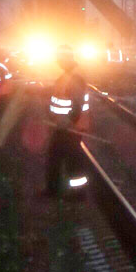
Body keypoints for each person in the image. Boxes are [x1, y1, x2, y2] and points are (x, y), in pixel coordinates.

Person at [47, 45, 89, 196]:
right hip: (63, 125)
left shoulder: (75, 77)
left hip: (70, 126)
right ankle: (54, 189)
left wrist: (69, 122)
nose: (57, 61)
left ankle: (77, 194)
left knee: (72, 160)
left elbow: (77, 104)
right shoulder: (67, 75)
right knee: (57, 156)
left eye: (60, 58)